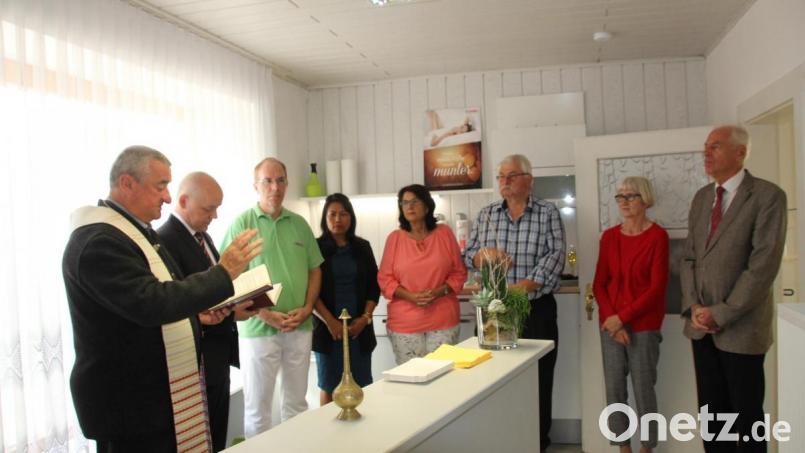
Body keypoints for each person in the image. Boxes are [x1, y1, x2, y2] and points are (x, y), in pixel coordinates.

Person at [62, 146, 261, 453]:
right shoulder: (98, 241)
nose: (167, 197)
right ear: (127, 183)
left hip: (153, 400)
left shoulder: (137, 234)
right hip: (128, 407)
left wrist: (196, 316)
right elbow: (150, 302)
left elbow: (152, 300)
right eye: (161, 186)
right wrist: (223, 273)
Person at [681, 125, 786, 453]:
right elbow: (689, 259)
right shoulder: (702, 198)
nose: (706, 153)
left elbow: (762, 265)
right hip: (701, 329)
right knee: (712, 418)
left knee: (746, 420)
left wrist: (721, 313)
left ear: (740, 153)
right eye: (706, 147)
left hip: (742, 330)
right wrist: (696, 308)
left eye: (715, 147)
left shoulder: (768, 197)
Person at [464, 153, 565, 452]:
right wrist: (484, 257)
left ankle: (536, 443)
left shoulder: (548, 212)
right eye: (501, 177)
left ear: (528, 180)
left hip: (535, 309)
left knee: (538, 379)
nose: (504, 182)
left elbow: (556, 255)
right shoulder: (487, 214)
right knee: (494, 377)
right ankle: (500, 442)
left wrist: (522, 287)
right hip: (495, 310)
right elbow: (469, 253)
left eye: (511, 176)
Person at [221, 157, 324, 437]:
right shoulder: (242, 224)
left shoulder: (300, 224)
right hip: (258, 329)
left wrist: (307, 308)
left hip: (299, 325)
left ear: (287, 184)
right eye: (267, 180)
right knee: (258, 410)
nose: (274, 187)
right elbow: (228, 277)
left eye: (280, 180)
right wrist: (264, 313)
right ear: (256, 185)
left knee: (297, 405)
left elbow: (315, 269)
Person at [157, 172, 257, 452]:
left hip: (217, 355)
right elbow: (174, 298)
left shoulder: (203, 237)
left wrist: (233, 308)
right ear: (184, 201)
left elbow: (213, 291)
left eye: (217, 208)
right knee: (200, 440)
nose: (214, 216)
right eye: (208, 209)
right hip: (195, 360)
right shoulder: (164, 241)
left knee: (216, 437)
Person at [593, 177, 669, 453]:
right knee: (614, 389)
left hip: (644, 325)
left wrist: (622, 318)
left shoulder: (658, 237)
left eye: (631, 196)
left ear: (646, 200)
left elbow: (656, 288)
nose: (624, 201)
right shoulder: (610, 237)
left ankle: (647, 447)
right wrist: (613, 321)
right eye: (620, 197)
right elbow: (599, 284)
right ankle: (623, 446)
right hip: (611, 325)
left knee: (643, 388)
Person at [377, 184, 467, 364]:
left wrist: (438, 292)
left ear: (427, 206)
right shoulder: (394, 238)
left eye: (415, 201)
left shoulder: (444, 233)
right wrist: (411, 296)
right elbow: (385, 279)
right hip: (405, 323)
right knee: (411, 380)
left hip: (443, 320)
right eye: (404, 203)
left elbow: (459, 273)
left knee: (442, 377)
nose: (409, 206)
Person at [312, 193, 380, 405]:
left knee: (362, 384)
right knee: (329, 384)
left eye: (343, 214)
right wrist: (331, 322)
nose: (338, 219)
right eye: (332, 214)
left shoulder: (362, 247)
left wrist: (365, 318)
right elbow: (310, 293)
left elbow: (373, 287)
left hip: (359, 330)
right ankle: (328, 433)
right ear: (325, 218)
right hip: (328, 330)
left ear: (351, 218)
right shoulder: (315, 248)